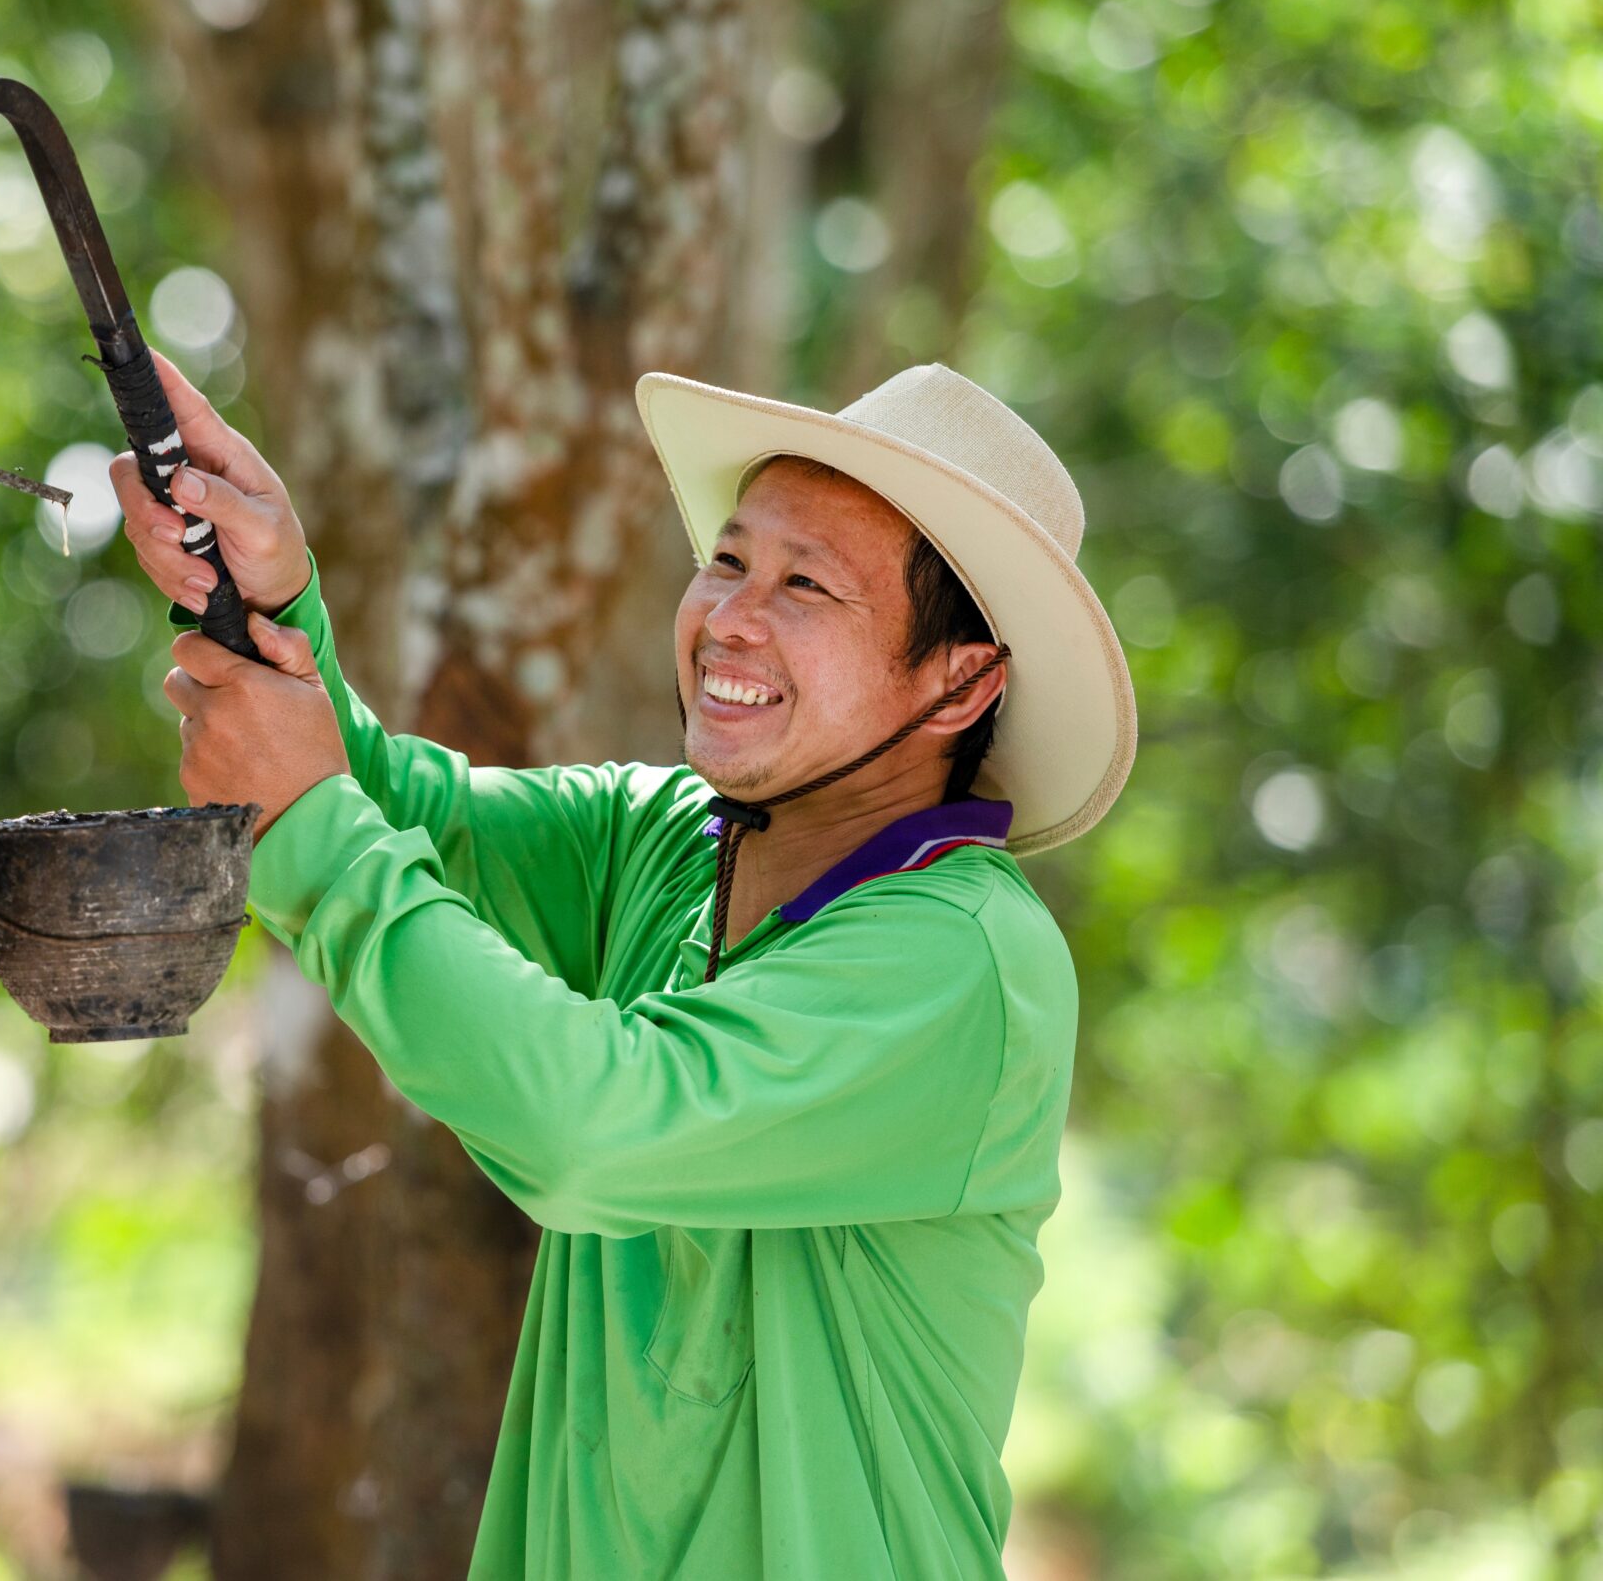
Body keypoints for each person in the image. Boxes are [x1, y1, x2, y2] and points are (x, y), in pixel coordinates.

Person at [110, 347, 1139, 1579]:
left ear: (959, 681)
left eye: (807, 584)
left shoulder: (963, 958)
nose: (730, 620)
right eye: (727, 560)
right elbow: (397, 812)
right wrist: (269, 604)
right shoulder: (667, 836)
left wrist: (312, 821)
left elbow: (589, 1128)